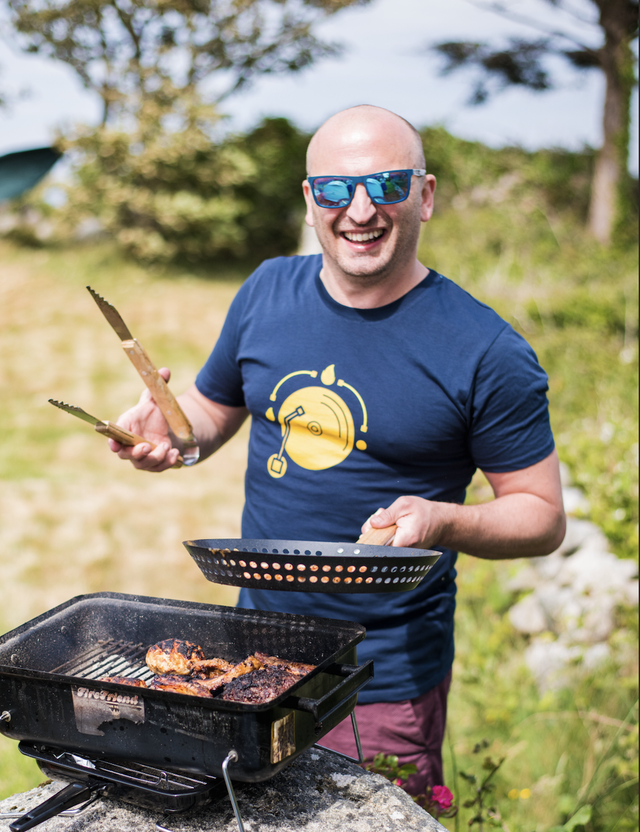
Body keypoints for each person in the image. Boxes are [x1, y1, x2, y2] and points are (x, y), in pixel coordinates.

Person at [109, 104, 566, 797]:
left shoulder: (486, 351)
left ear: (426, 194)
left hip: (379, 682)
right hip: (249, 656)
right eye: (335, 189)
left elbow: (540, 514)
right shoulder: (267, 290)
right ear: (309, 199)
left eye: (386, 185)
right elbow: (212, 410)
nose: (359, 209)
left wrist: (442, 521)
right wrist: (169, 428)